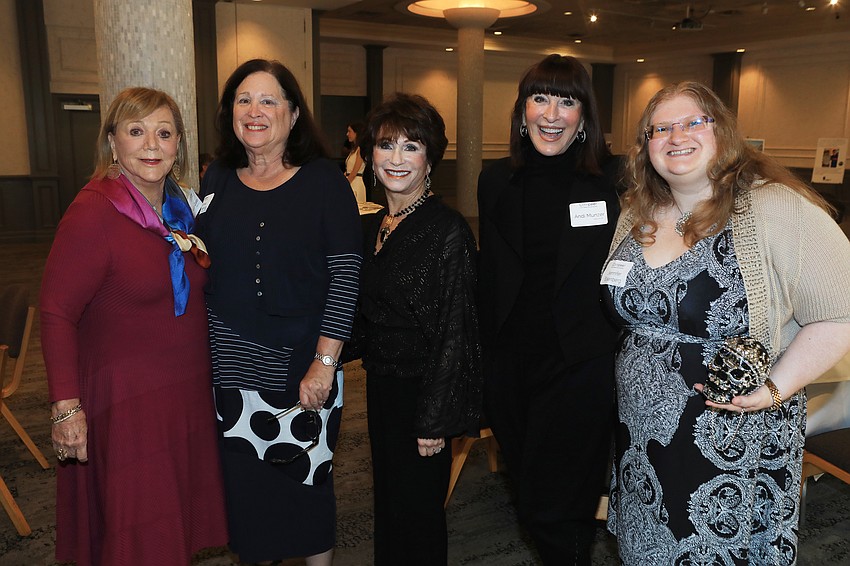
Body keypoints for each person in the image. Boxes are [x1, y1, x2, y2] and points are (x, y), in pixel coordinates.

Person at [602, 81, 850, 564]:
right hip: (641, 433)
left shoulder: (774, 206)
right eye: (660, 129)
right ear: (645, 145)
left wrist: (775, 389)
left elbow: (840, 312)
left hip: (731, 432)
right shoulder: (637, 209)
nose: (677, 136)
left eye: (694, 122)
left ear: (723, 131)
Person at [40, 87, 227, 566]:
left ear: (179, 145)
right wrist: (65, 409)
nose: (151, 145)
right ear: (113, 141)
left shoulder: (180, 210)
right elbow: (56, 312)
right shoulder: (95, 211)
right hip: (127, 401)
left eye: (164, 133)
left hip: (182, 394)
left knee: (171, 525)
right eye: (136, 131)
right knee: (140, 531)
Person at [194, 59, 362, 566]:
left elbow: (346, 278)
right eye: (244, 100)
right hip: (229, 369)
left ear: (293, 113)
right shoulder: (217, 177)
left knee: (307, 487)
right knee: (247, 499)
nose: (255, 111)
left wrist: (325, 363)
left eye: (269, 100)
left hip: (302, 368)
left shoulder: (324, 181)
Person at [476, 54, 621, 564]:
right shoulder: (496, 180)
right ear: (523, 110)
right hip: (511, 365)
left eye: (567, 101)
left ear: (584, 116)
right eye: (540, 98)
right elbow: (492, 273)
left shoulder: (614, 180)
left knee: (560, 501)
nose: (552, 114)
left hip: (580, 363)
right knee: (530, 492)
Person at [347, 93, 482, 565]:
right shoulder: (374, 226)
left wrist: (435, 419)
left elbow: (456, 331)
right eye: (386, 145)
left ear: (430, 158)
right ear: (370, 155)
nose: (397, 158)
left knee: (419, 516)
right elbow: (366, 316)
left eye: (411, 146)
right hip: (381, 388)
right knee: (389, 507)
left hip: (424, 392)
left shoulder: (447, 229)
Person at [344, 121, 367, 204]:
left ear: (356, 133)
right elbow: (348, 171)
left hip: (355, 183)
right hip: (350, 182)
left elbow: (354, 172)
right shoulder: (353, 150)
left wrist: (345, 185)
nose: (347, 134)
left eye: (349, 131)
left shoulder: (360, 150)